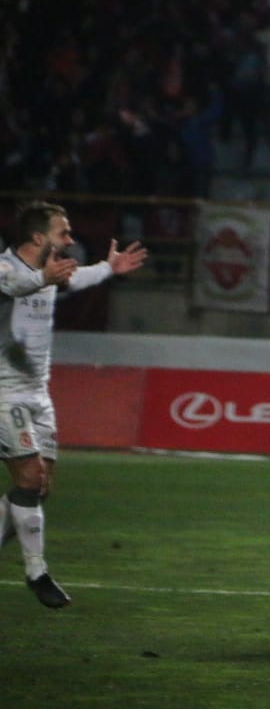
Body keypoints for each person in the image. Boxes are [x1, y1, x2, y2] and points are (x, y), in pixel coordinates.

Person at [0, 201, 147, 607]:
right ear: (37, 237)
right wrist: (40, 278)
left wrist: (108, 269)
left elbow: (77, 278)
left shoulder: (55, 273)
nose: (70, 240)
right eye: (62, 233)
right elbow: (12, 287)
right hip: (4, 392)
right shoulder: (6, 269)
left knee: (38, 488)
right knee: (29, 480)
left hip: (38, 393)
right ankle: (37, 571)